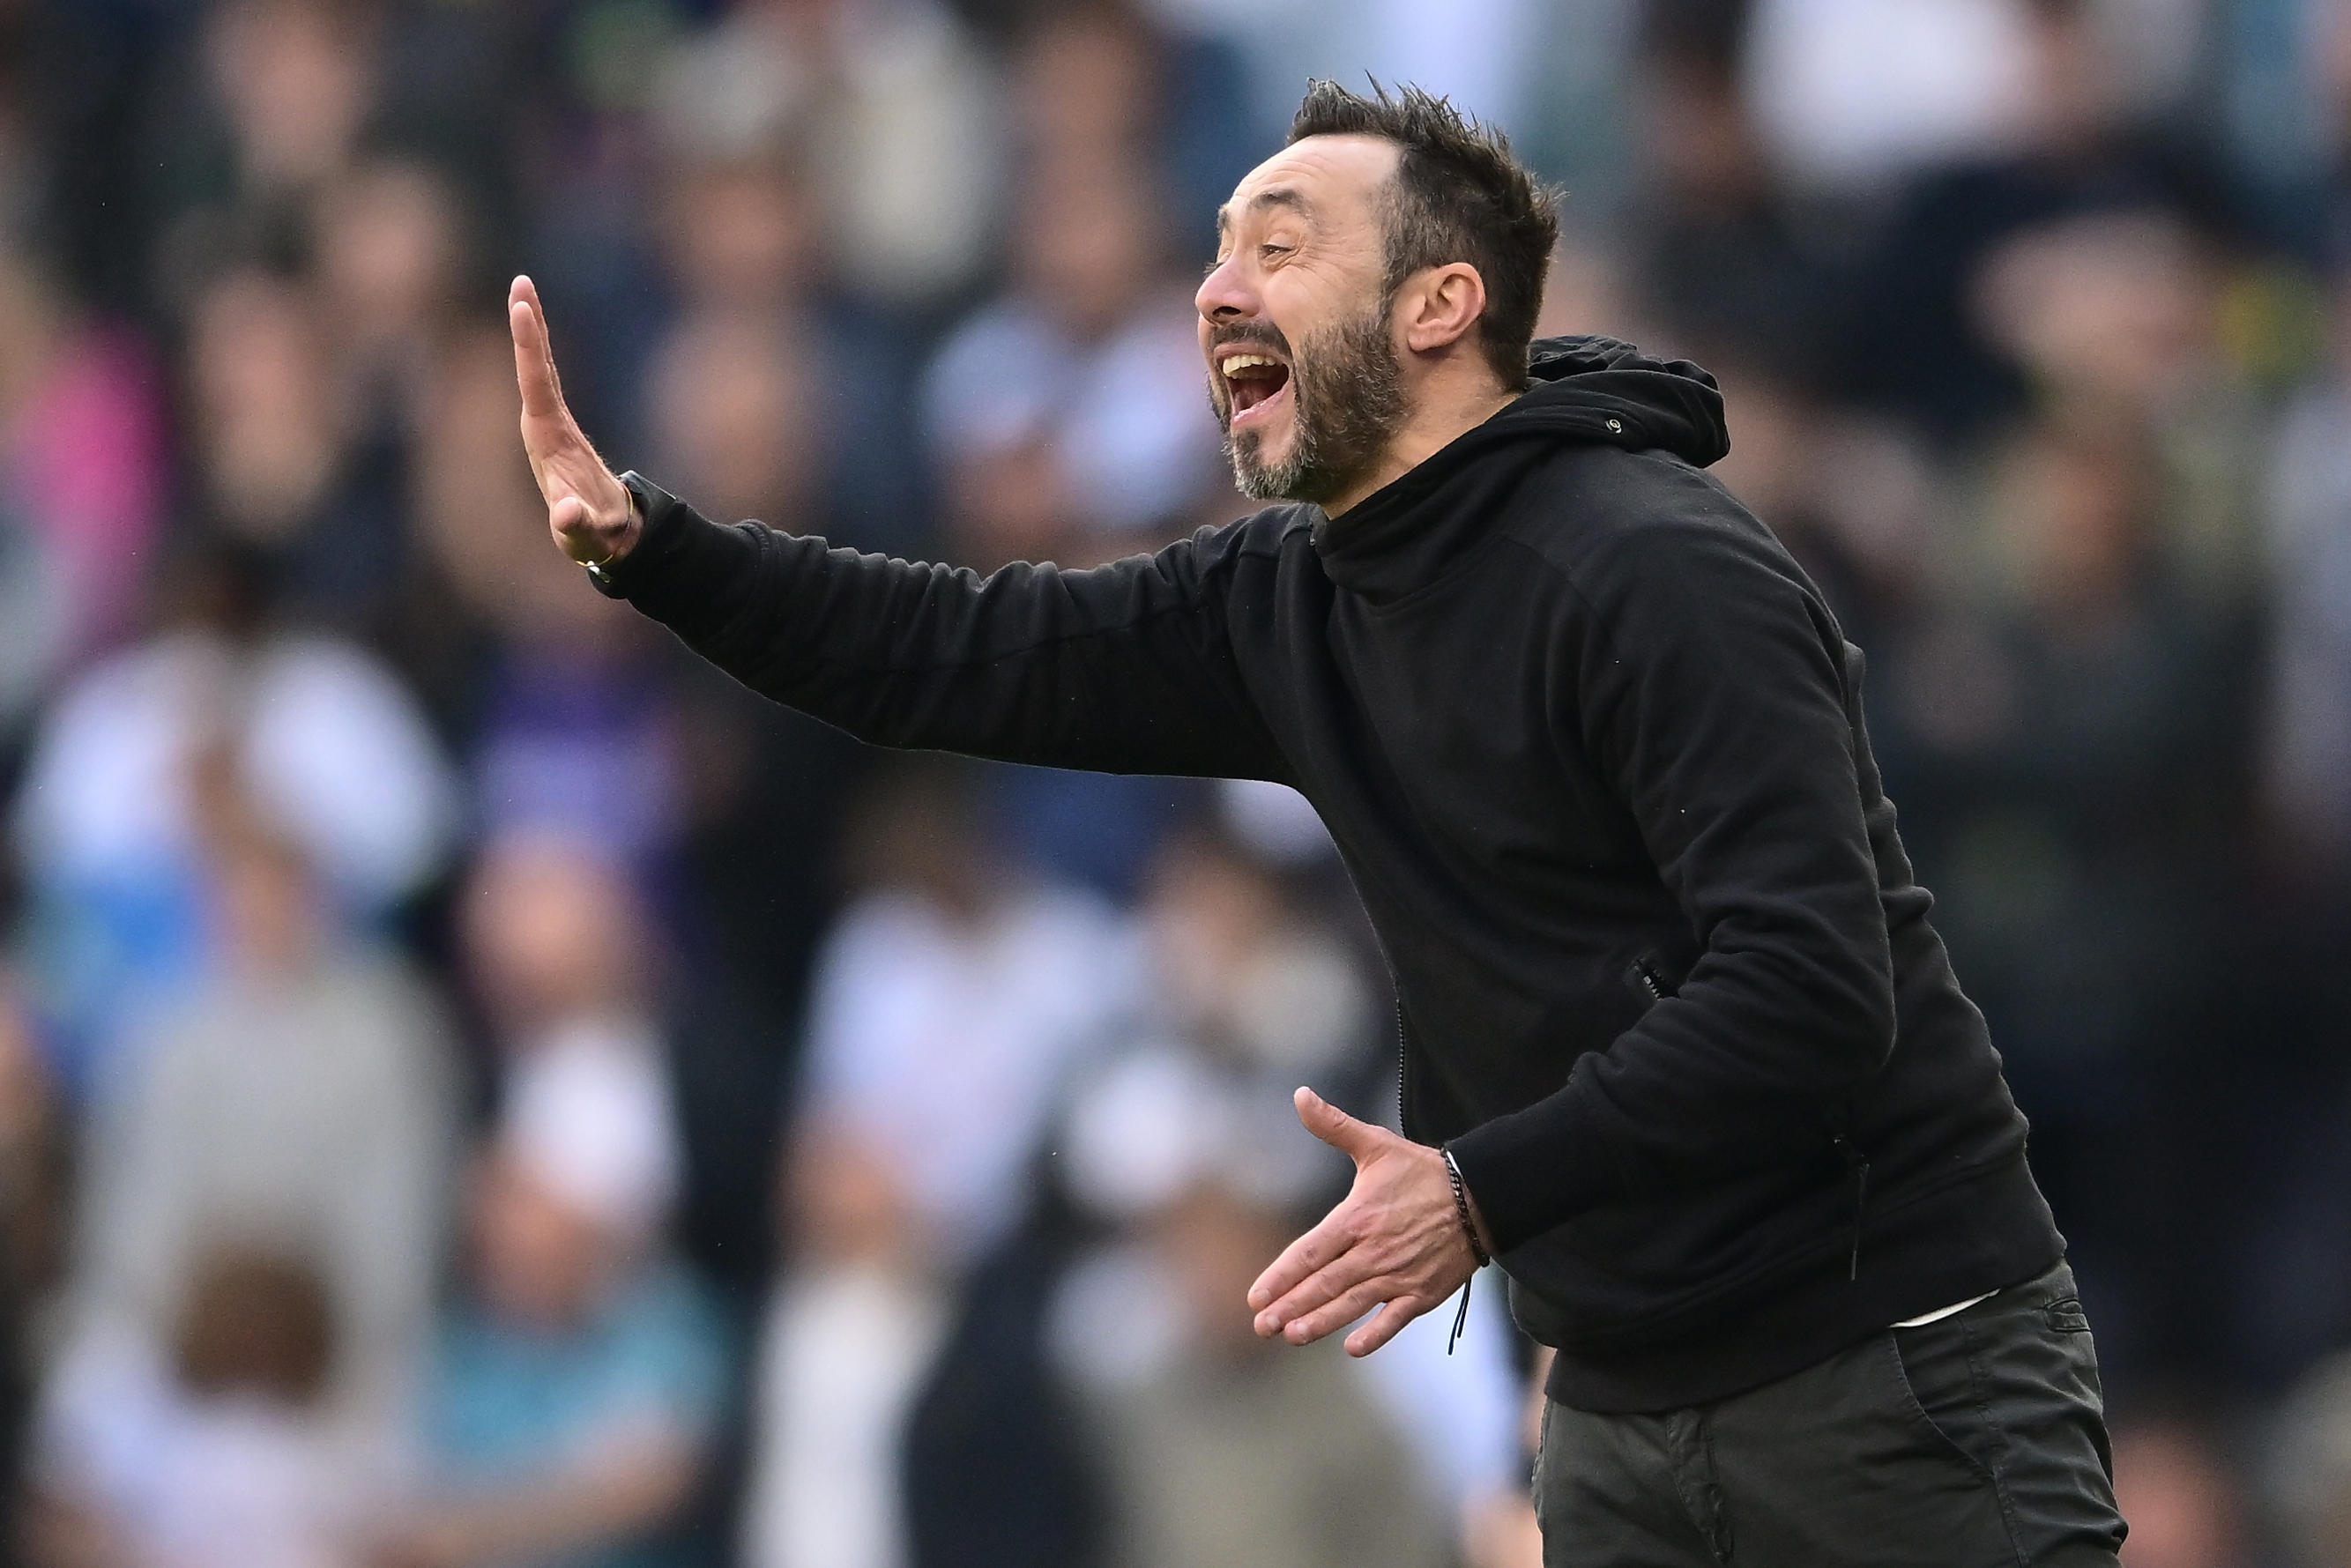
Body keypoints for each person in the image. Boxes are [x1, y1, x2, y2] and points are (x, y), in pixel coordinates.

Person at [504, 78, 2127, 1568]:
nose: (1214, 289)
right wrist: (656, 548)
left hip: (1887, 1377)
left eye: (1279, 245)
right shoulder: (1286, 600)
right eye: (1215, 252)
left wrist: (1481, 1192)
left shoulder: (1660, 572)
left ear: (1440, 303)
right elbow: (957, 651)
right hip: (1622, 1419)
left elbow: (1808, 992)